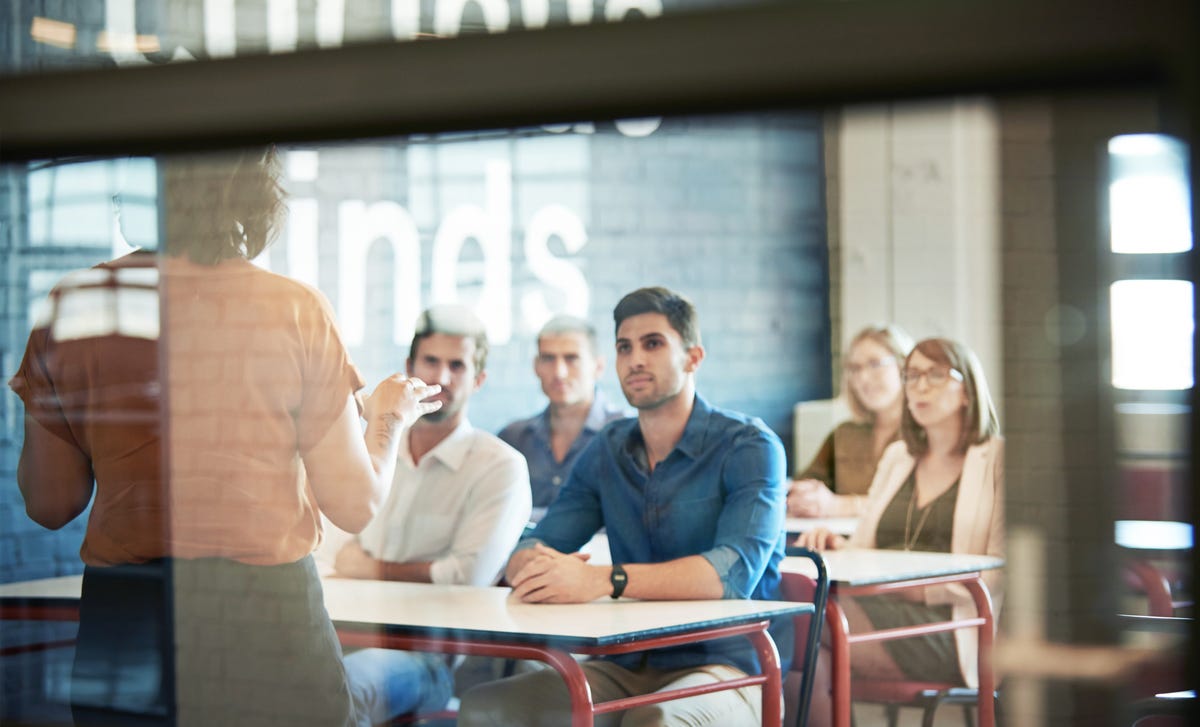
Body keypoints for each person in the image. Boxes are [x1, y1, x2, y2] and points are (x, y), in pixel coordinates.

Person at [9, 147, 440, 726]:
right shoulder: (294, 310)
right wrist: (388, 418)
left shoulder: (75, 307)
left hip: (127, 616)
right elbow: (355, 503)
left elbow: (49, 503)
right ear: (254, 197)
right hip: (267, 618)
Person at [457, 286, 791, 727]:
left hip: (727, 667)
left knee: (654, 721)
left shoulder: (750, 446)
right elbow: (535, 545)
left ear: (693, 358)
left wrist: (599, 579)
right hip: (623, 663)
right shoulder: (607, 448)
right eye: (624, 347)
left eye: (653, 344)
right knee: (488, 708)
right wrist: (533, 568)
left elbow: (728, 575)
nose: (635, 359)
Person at [332, 304, 532, 726]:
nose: (442, 377)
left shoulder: (500, 467)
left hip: (430, 662)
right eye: (431, 362)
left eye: (457, 365)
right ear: (409, 367)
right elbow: (333, 550)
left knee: (341, 685)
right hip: (343, 637)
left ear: (479, 379)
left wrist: (372, 568)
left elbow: (467, 576)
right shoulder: (373, 450)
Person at [795, 337, 1004, 726]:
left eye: (935, 375)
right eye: (911, 376)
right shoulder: (899, 456)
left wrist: (909, 587)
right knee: (802, 620)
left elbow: (995, 576)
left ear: (967, 390)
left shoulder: (996, 460)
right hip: (879, 608)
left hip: (956, 627)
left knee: (806, 624)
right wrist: (838, 546)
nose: (919, 386)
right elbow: (866, 546)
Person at [498, 314, 628, 516]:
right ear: (536, 366)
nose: (559, 372)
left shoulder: (628, 435)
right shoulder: (512, 439)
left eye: (571, 358)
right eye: (548, 358)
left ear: (598, 366)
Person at [787, 324, 913, 518]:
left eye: (875, 364)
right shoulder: (844, 434)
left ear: (903, 366)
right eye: (854, 369)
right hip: (836, 540)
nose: (863, 378)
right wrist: (803, 496)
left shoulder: (924, 435)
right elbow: (803, 484)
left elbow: (917, 507)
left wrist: (840, 506)